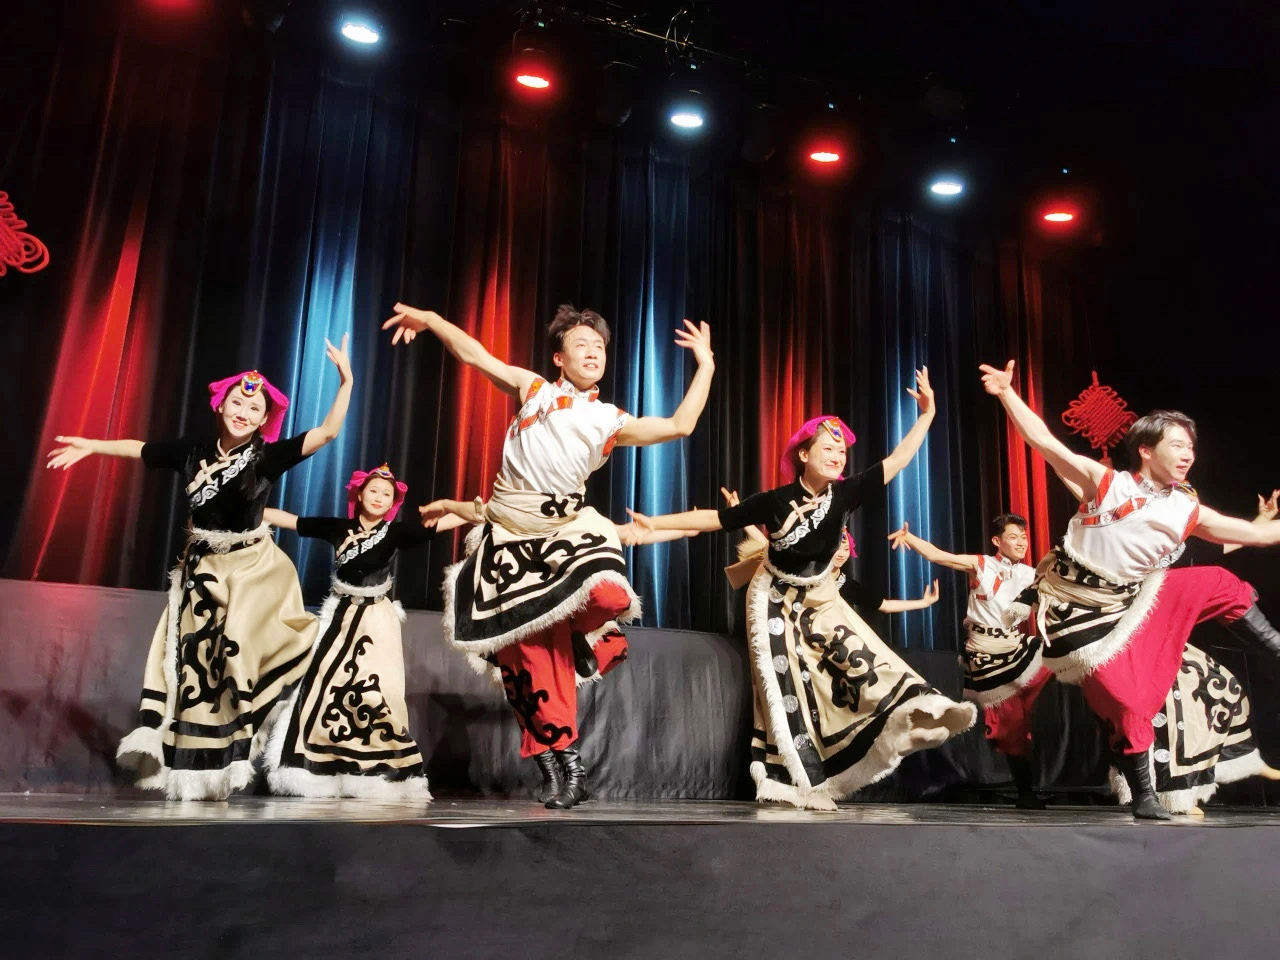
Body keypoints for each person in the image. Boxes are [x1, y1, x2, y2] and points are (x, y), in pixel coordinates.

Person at [387, 302, 714, 809]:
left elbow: (679, 425)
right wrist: (431, 320)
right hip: (509, 539)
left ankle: (579, 642)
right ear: (559, 358)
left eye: (599, 346)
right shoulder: (532, 388)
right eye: (581, 344)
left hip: (561, 532)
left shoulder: (609, 419)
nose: (593, 352)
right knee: (526, 663)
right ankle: (563, 769)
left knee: (608, 595)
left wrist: (706, 364)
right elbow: (475, 355)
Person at [628, 374, 977, 810]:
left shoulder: (844, 495)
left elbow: (899, 460)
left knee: (861, 655)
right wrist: (654, 523)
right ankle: (803, 783)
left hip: (821, 595)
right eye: (828, 449)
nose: (836, 456)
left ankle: (908, 719)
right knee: (787, 685)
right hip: (774, 598)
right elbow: (716, 520)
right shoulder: (775, 501)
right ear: (804, 454)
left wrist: (927, 414)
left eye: (841, 452)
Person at [46, 338, 354, 799]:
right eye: (238, 403)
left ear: (264, 420)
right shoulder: (194, 451)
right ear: (221, 405)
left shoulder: (267, 456)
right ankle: (194, 769)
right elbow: (142, 449)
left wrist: (345, 381)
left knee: (236, 656)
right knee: (196, 669)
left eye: (255, 409)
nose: (244, 412)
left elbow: (327, 433)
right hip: (202, 573)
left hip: (250, 571)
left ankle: (237, 752)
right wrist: (93, 446)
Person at [979, 358, 1280, 819]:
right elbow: (1043, 440)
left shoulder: (1187, 509)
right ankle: (1143, 794)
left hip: (1133, 606)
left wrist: (1264, 525)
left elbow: (1256, 535)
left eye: (1191, 447)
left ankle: (1275, 648)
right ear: (1145, 449)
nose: (1187, 454)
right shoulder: (1107, 485)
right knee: (1126, 699)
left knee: (1216, 581)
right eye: (1176, 444)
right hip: (1079, 615)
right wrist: (1006, 393)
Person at [261, 464, 473, 800]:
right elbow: (292, 520)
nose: (378, 497)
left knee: (378, 690)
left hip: (377, 620)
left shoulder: (395, 533)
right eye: (373, 491)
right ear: (359, 494)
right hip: (340, 618)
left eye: (386, 494)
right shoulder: (339, 528)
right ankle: (320, 766)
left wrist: (474, 509)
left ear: (392, 503)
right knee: (325, 687)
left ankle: (377, 768)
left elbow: (442, 525)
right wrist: (247, 511)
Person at [888, 514, 1049, 808]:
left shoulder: (1030, 574)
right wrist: (909, 538)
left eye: (1024, 537)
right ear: (997, 541)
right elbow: (939, 556)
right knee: (1010, 721)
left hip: (1016, 647)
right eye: (1013, 537)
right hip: (985, 653)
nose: (1021, 543)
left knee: (1063, 664)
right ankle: (1026, 792)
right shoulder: (981, 564)